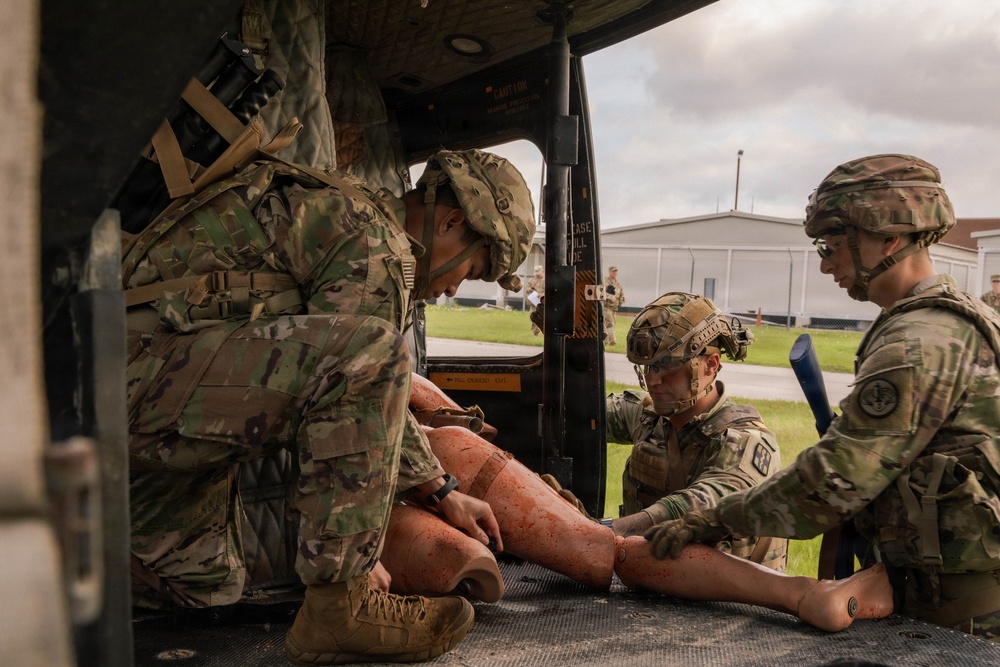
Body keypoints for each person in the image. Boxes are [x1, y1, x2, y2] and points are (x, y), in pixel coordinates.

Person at [121, 148, 536, 664]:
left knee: (200, 586)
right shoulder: (373, 244)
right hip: (138, 382)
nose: (453, 288)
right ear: (450, 219)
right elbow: (362, 377)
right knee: (379, 350)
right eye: (469, 269)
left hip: (134, 388)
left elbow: (355, 391)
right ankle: (341, 612)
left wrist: (441, 490)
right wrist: (354, 565)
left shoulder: (349, 212)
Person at [643, 154, 1000, 641]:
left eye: (833, 246)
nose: (826, 263)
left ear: (888, 239)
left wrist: (711, 519)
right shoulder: (945, 320)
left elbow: (831, 483)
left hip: (967, 617)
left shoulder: (917, 342)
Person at [605, 292, 787, 570]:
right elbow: (582, 413)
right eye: (649, 367)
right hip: (657, 586)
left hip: (735, 604)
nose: (654, 380)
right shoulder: (648, 417)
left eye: (667, 365)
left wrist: (602, 532)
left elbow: (702, 502)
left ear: (710, 365)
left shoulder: (745, 440)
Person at [603, 266, 626, 346]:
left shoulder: (618, 284)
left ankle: (605, 341)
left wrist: (623, 298)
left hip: (614, 309)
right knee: (610, 324)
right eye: (613, 271)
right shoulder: (605, 282)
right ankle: (612, 342)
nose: (615, 273)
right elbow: (601, 293)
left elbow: (621, 294)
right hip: (606, 307)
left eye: (616, 271)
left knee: (608, 324)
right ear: (609, 272)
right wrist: (610, 297)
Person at [526, 264, 545, 335]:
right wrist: (530, 290)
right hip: (534, 302)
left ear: (542, 271)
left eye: (539, 273)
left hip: (542, 302)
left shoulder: (546, 280)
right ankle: (535, 331)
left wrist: (542, 294)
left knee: (542, 316)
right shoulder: (532, 280)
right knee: (533, 316)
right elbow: (527, 289)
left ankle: (541, 330)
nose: (537, 275)